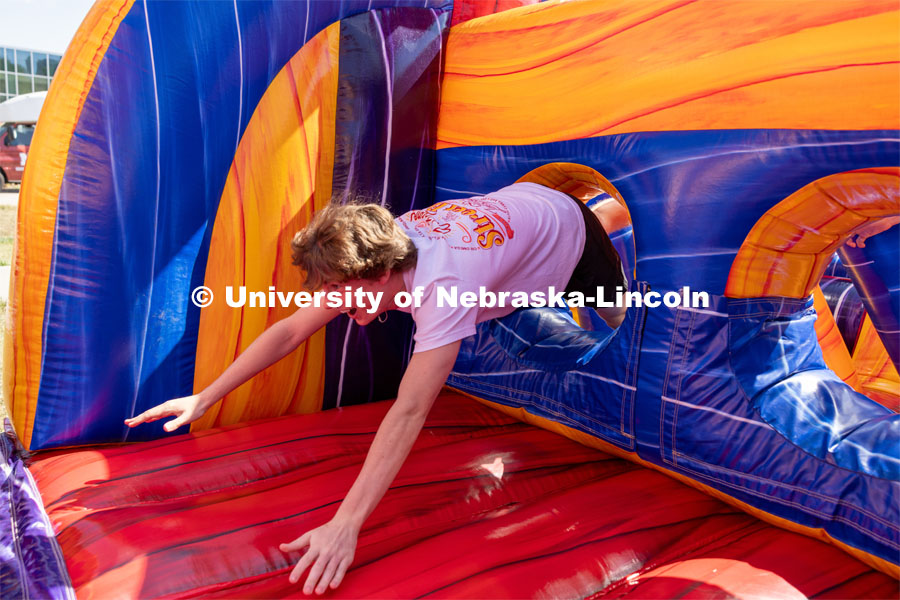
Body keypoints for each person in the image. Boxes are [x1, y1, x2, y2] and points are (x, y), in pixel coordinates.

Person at [125, 179, 626, 595]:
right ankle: (594, 218)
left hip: (568, 233)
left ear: (384, 269)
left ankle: (603, 217)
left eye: (341, 292)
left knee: (619, 316)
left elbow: (409, 411)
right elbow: (290, 330)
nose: (336, 303)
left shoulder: (442, 287)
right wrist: (204, 396)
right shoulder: (372, 256)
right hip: (516, 219)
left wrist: (345, 525)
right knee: (507, 304)